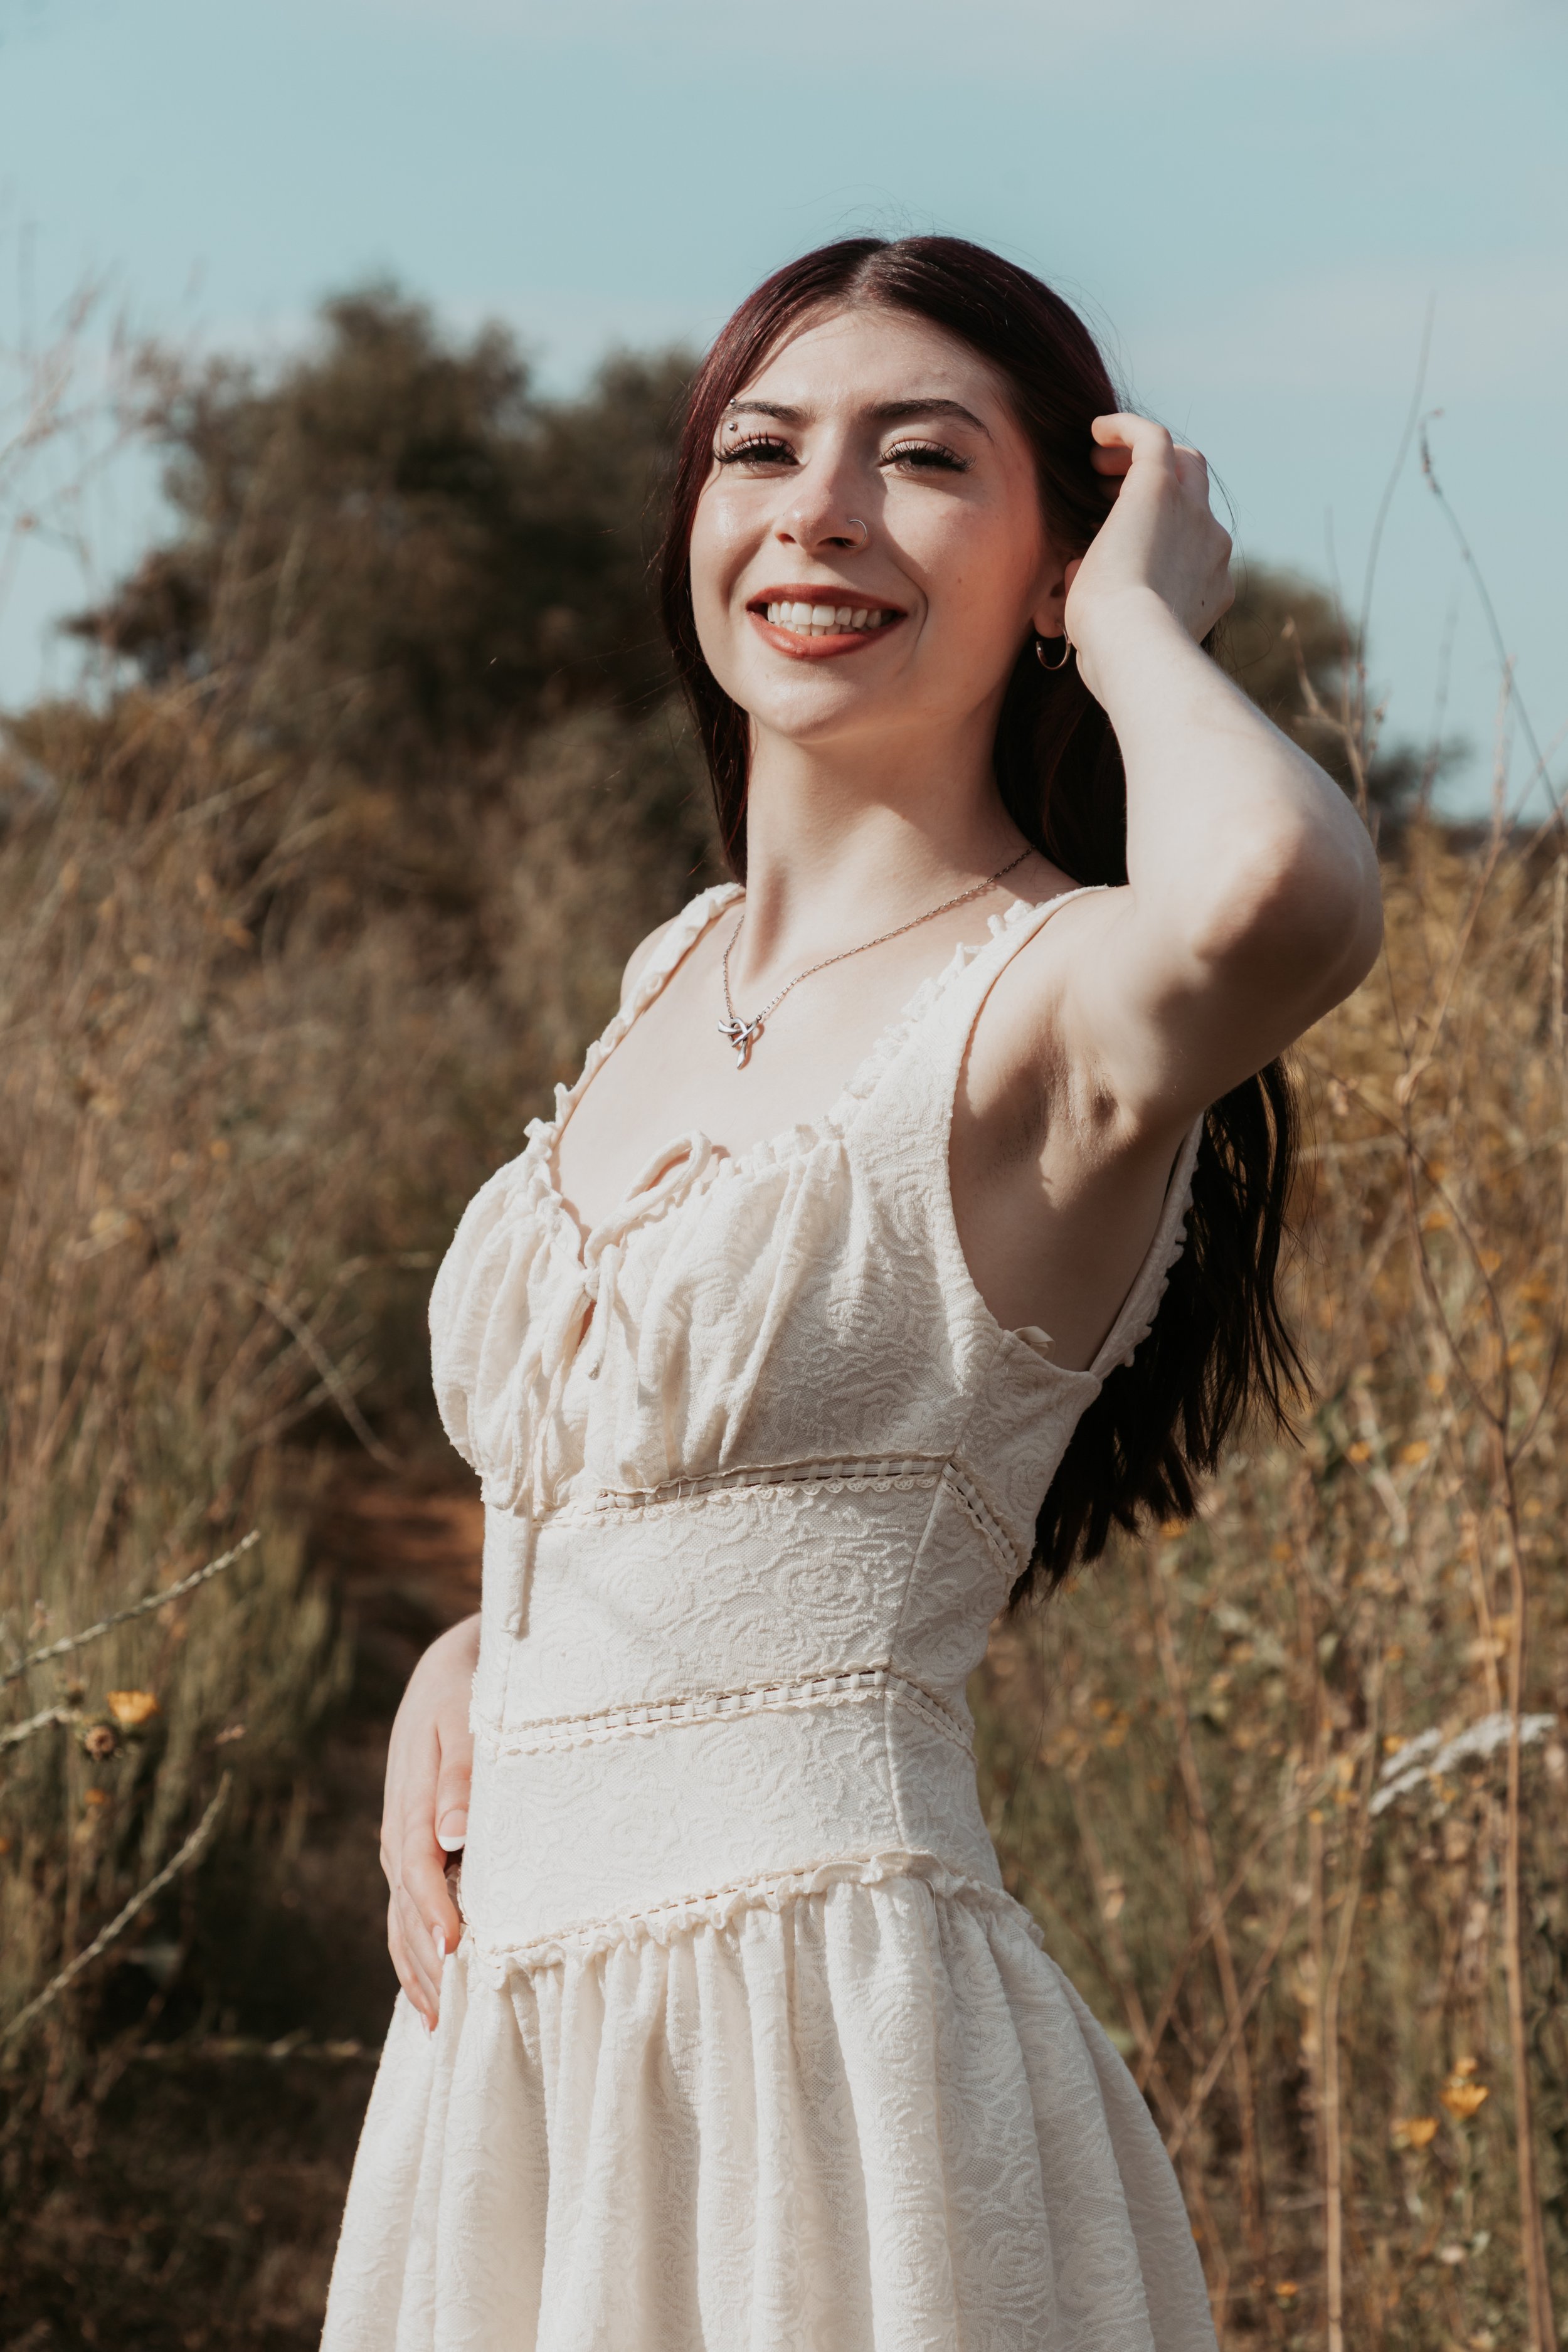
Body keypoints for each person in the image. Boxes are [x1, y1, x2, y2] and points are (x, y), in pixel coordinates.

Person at [322, 236, 1382, 2351]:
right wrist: (496, 1659)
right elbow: (712, 1487)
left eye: (920, 460)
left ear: (1048, 570)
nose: (816, 512)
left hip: (818, 2062)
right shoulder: (673, 973)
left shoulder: (1046, 994)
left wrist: (1143, 623)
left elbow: (1278, 893)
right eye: (760, 450)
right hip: (516, 2066)